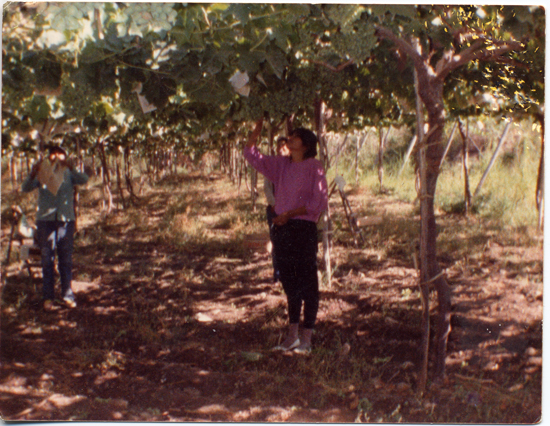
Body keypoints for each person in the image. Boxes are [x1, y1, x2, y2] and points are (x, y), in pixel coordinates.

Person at [244, 119, 328, 354]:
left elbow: (317, 202)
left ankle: (307, 338)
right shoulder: (281, 165)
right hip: (283, 229)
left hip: (302, 229)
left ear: (307, 144)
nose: (290, 138)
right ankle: (292, 336)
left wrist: (288, 214)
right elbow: (251, 155)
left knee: (308, 282)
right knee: (290, 282)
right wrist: (256, 131)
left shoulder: (314, 167)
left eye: (296, 136)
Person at [22, 146, 89, 311]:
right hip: (46, 221)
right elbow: (25, 187)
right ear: (49, 157)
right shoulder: (43, 172)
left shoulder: (68, 173)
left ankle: (67, 295)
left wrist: (73, 167)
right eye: (53, 154)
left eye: (61, 154)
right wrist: (33, 172)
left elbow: (83, 179)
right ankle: (48, 298)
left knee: (65, 260)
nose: (57, 158)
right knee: (47, 260)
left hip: (65, 221)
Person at [264, 136, 290, 283]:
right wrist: (274, 204)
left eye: (284, 146)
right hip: (274, 209)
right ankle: (278, 274)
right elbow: (266, 187)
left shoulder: (294, 165)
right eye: (279, 146)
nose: (282, 149)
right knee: (276, 240)